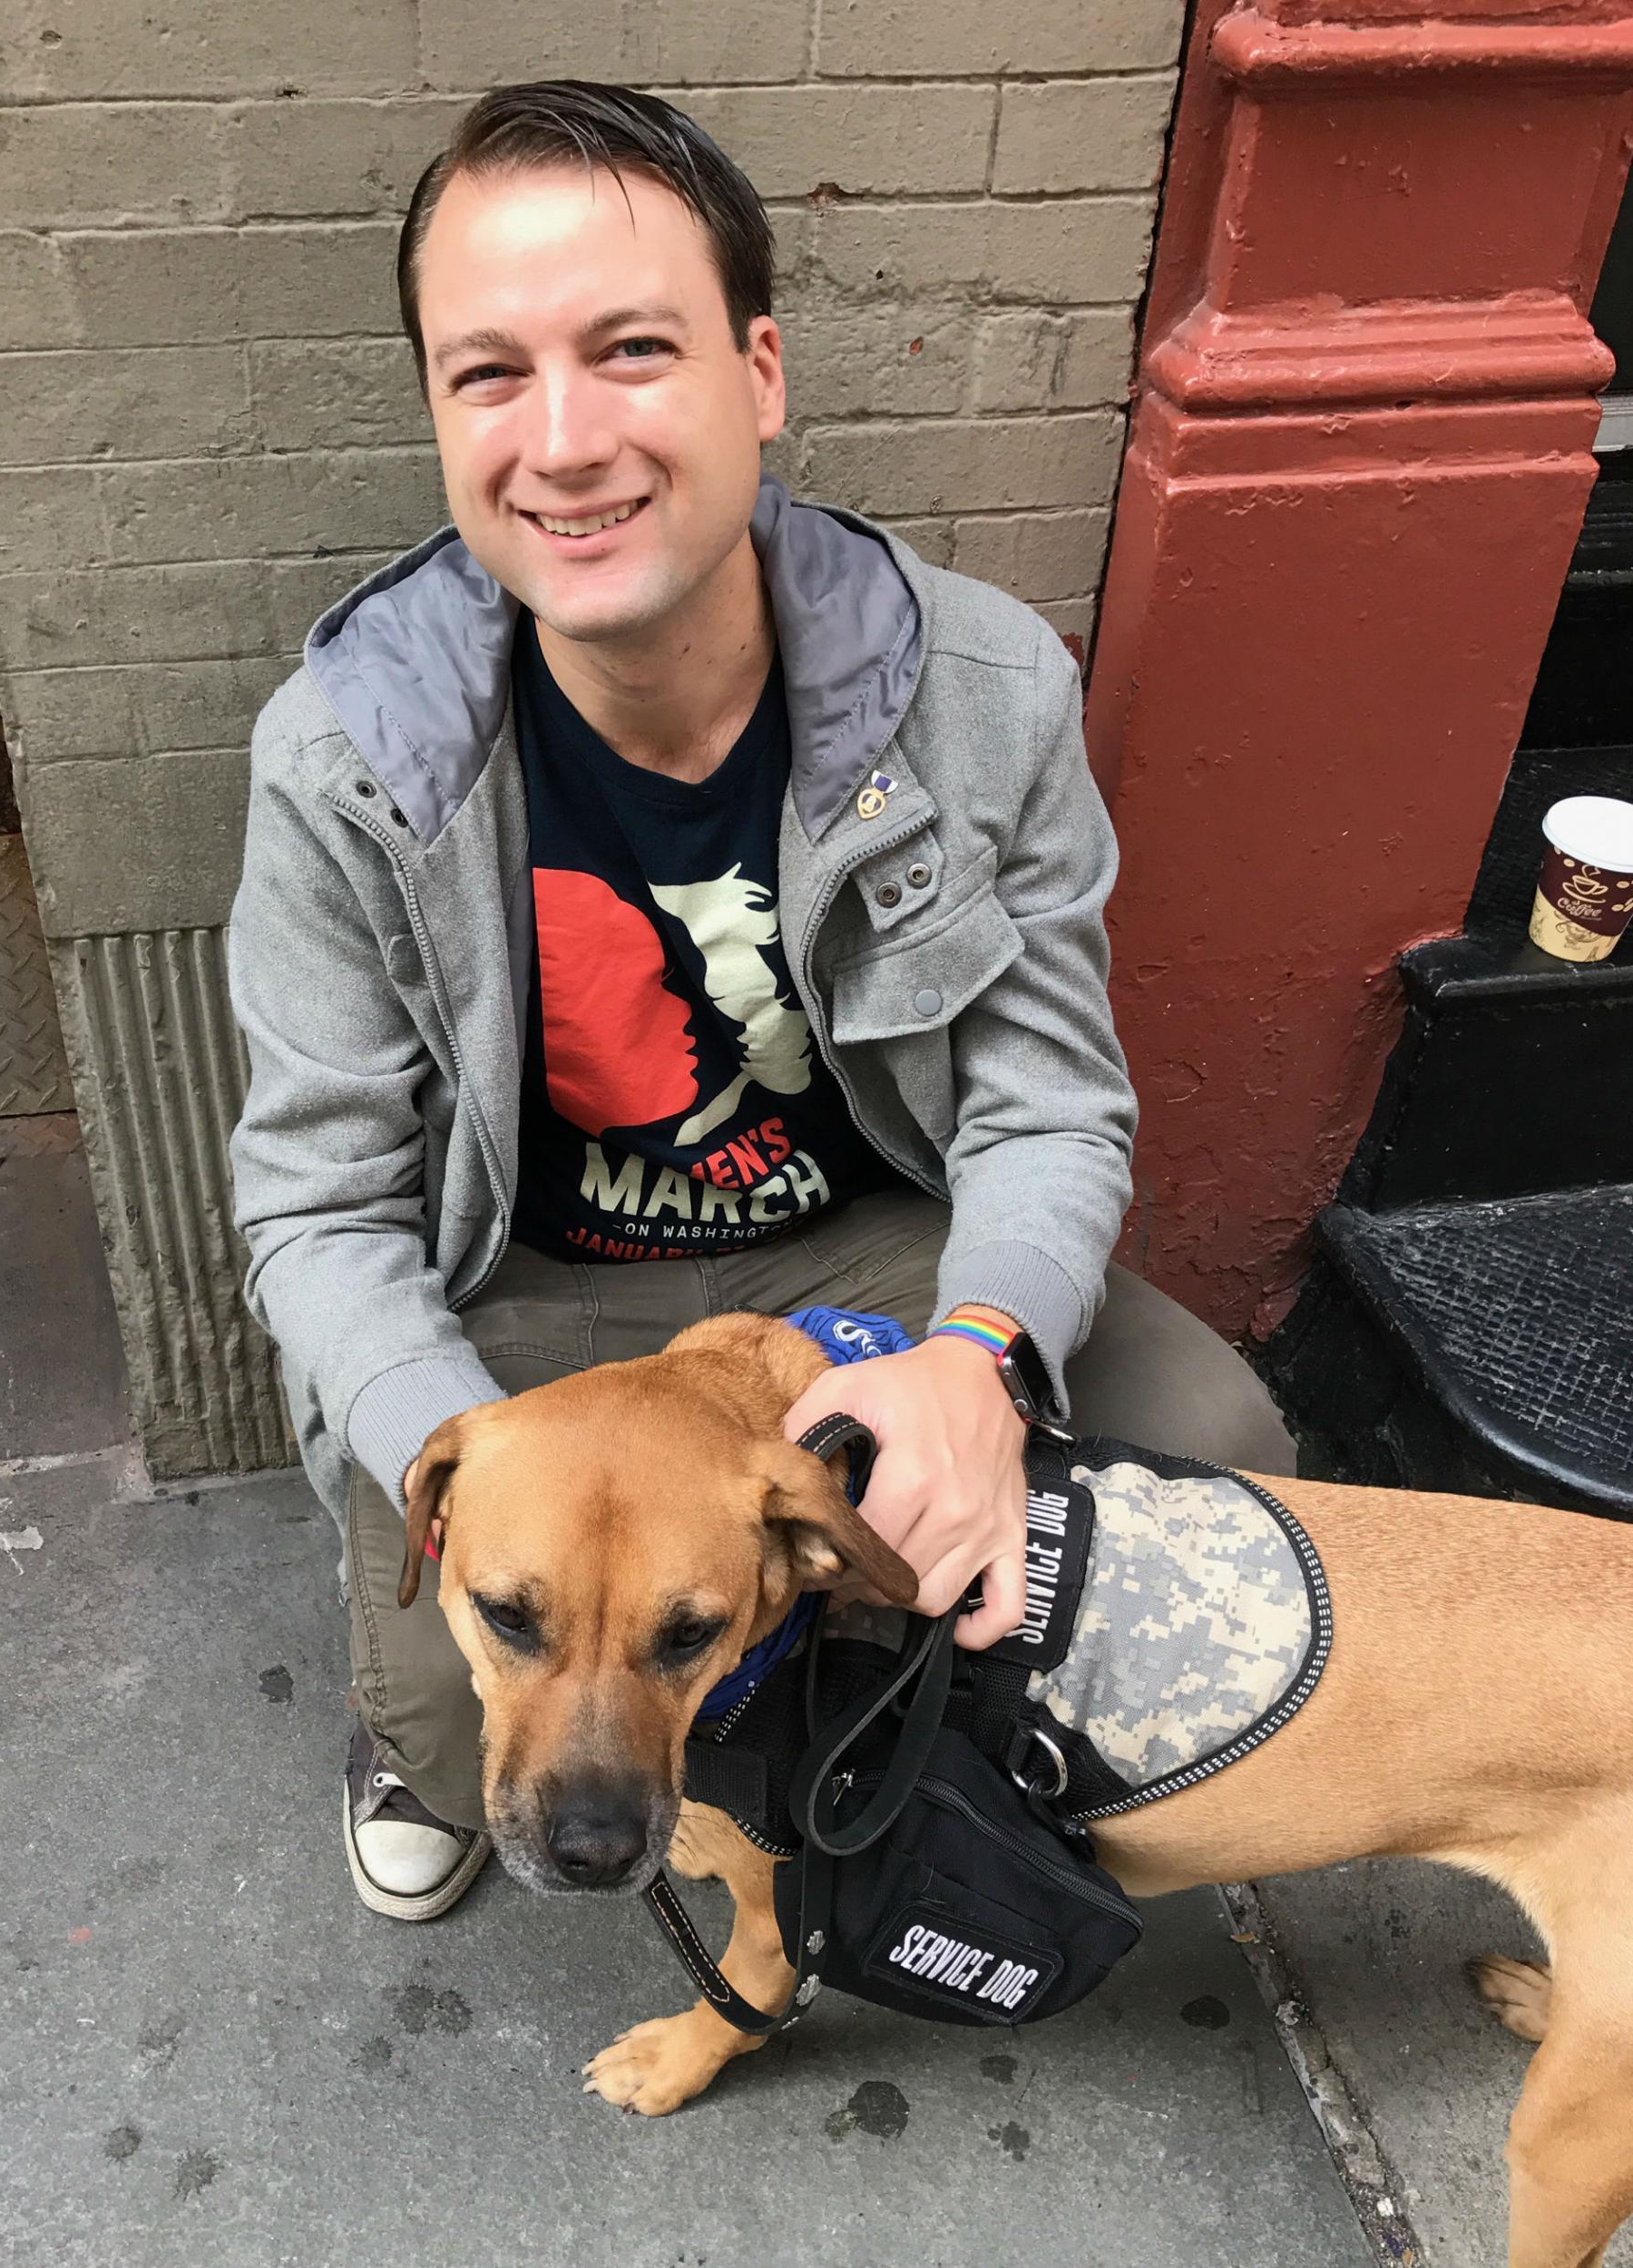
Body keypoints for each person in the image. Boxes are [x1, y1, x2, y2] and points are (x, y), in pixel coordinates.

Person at [227, 80, 1295, 1923]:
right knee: (474, 1707)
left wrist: (974, 1357)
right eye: (489, 373)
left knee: (1212, 1445)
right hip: (531, 1294)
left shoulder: (978, 691)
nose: (561, 441)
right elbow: (316, 1200)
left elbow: (1044, 1099)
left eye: (629, 350)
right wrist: (447, 1448)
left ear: (758, 372)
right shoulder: (348, 760)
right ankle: (432, 1712)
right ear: (437, 411)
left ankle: (947, 1718)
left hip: (857, 1252)